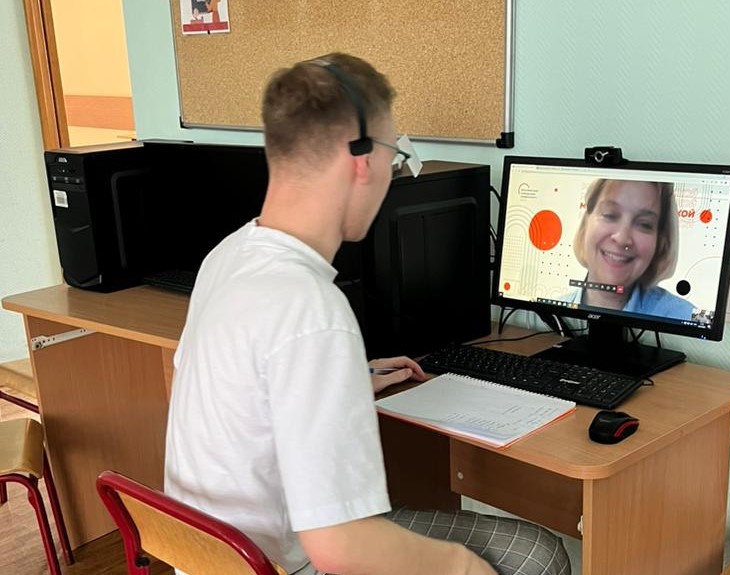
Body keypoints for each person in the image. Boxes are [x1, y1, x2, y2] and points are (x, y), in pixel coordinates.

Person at [164, 53, 570, 575]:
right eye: (395, 153)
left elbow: (233, 393)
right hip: (284, 565)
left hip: (205, 558)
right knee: (537, 557)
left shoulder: (229, 255)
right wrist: (463, 568)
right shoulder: (311, 310)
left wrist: (341, 383)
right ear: (363, 162)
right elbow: (340, 549)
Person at [566, 178, 693, 320]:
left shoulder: (686, 316)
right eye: (609, 215)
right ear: (586, 221)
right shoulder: (547, 316)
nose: (622, 239)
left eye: (644, 224)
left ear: (660, 241)